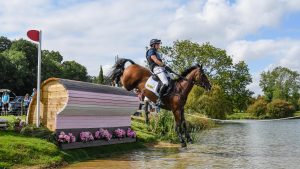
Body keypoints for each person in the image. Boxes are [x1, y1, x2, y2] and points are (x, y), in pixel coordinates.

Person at [146, 39, 170, 105]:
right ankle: (159, 99)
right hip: (156, 68)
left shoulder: (156, 52)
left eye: (159, 44)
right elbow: (155, 60)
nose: (159, 45)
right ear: (153, 45)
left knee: (172, 79)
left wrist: (166, 68)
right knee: (165, 83)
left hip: (161, 68)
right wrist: (164, 66)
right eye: (158, 44)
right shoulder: (151, 51)